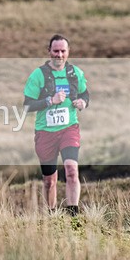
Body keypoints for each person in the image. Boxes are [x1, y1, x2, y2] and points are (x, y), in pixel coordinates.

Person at [23, 34, 90, 216]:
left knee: (71, 171)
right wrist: (49, 101)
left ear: (68, 52)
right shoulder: (39, 75)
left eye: (63, 51)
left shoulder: (75, 73)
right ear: (49, 52)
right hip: (45, 133)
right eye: (55, 51)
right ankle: (51, 216)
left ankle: (73, 215)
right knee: (49, 181)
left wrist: (83, 103)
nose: (59, 55)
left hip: (69, 129)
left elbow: (85, 94)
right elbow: (27, 105)